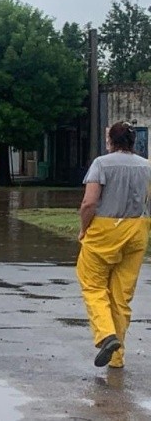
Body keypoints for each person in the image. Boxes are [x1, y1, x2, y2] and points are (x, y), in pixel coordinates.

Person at [76, 121, 151, 368]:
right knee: (121, 296)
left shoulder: (101, 163)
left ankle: (106, 335)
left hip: (105, 231)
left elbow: (89, 203)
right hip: (137, 230)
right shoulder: (146, 167)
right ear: (133, 142)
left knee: (93, 285)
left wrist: (83, 228)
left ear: (111, 141)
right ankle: (117, 358)